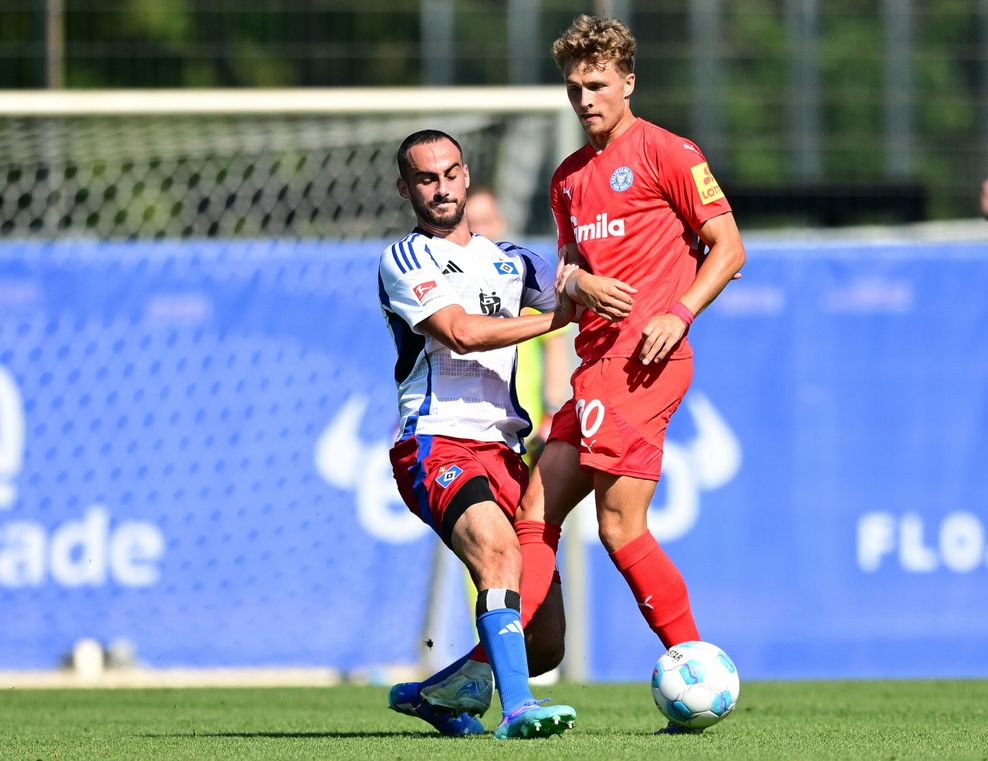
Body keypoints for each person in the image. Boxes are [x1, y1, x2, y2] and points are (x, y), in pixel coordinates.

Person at [416, 13, 747, 733]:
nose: (586, 99)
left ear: (628, 81)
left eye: (598, 84)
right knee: (534, 514)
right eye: (574, 87)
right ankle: (482, 670)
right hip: (596, 367)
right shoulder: (569, 177)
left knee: (621, 526)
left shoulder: (666, 151)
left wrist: (679, 312)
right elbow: (568, 272)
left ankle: (693, 665)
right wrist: (574, 281)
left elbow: (728, 247)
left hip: (646, 361)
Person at [379, 129, 576, 740]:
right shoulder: (406, 258)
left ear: (466, 176)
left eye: (450, 174)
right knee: (497, 550)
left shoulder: (513, 260)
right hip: (436, 442)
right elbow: (459, 332)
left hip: (506, 449)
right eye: (425, 179)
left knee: (544, 644)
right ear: (406, 188)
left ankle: (432, 697)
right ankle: (517, 713)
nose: (440, 189)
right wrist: (552, 318)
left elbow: (578, 290)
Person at [465, 185, 575, 465]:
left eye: (486, 222)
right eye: (472, 225)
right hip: (470, 429)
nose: (480, 232)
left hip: (527, 429)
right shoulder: (452, 286)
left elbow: (555, 347)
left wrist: (552, 411)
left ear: (500, 223)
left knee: (535, 506)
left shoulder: (525, 280)